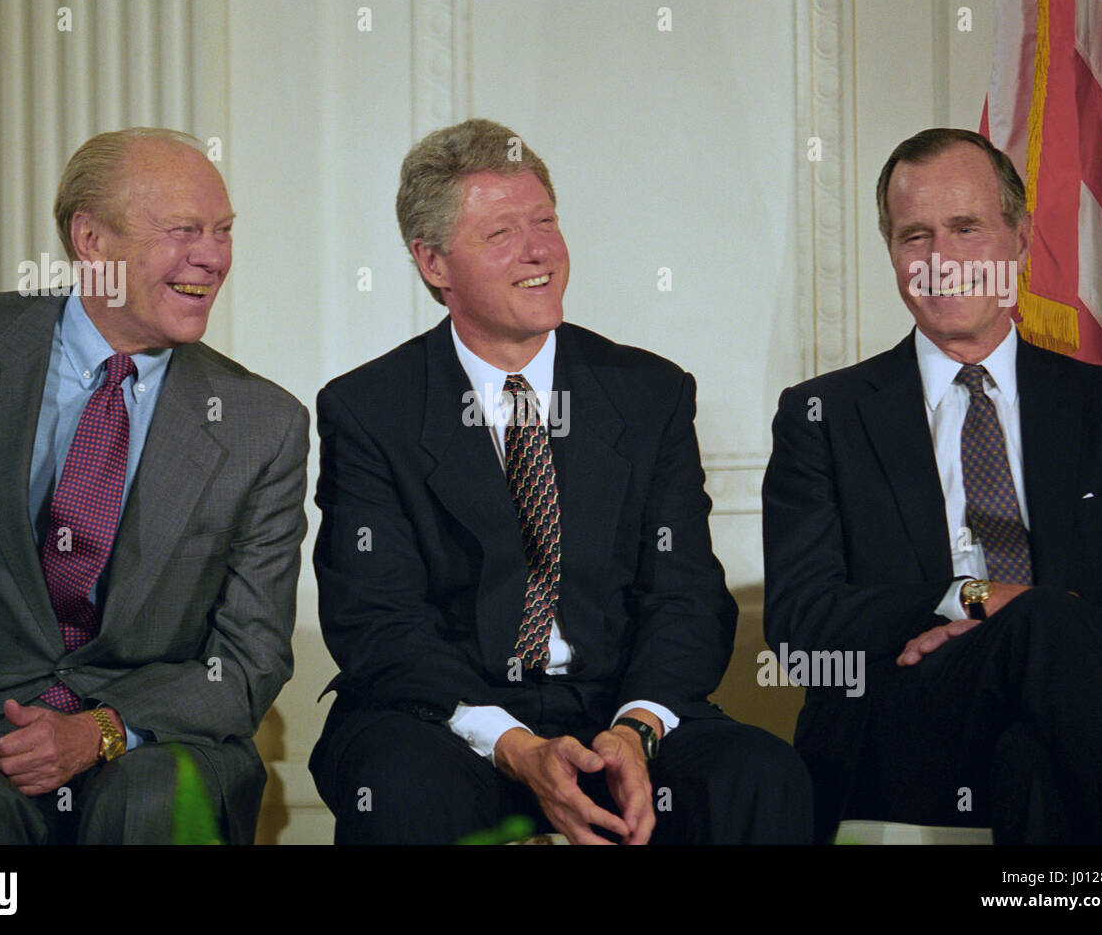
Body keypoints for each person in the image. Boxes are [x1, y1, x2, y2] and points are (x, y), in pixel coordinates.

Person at [309, 118, 811, 845]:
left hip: (615, 705)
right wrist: (514, 744)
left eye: (544, 220)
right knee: (401, 789)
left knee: (759, 774)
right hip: (445, 719)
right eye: (502, 234)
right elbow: (377, 620)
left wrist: (635, 730)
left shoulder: (647, 393)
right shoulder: (370, 409)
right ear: (433, 263)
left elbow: (686, 596)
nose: (539, 250)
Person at [0, 128, 309, 844]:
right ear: (93, 240)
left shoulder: (264, 424)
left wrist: (101, 730)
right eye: (184, 231)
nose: (214, 257)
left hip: (156, 737)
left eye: (223, 232)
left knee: (151, 803)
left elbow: (250, 659)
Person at [762, 127, 1102, 843]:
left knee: (1033, 752)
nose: (941, 261)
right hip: (900, 719)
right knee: (1036, 617)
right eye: (915, 237)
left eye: (966, 229)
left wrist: (1044, 647)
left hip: (1069, 719)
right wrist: (974, 599)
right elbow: (798, 628)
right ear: (891, 253)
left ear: (1018, 239)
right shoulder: (823, 414)